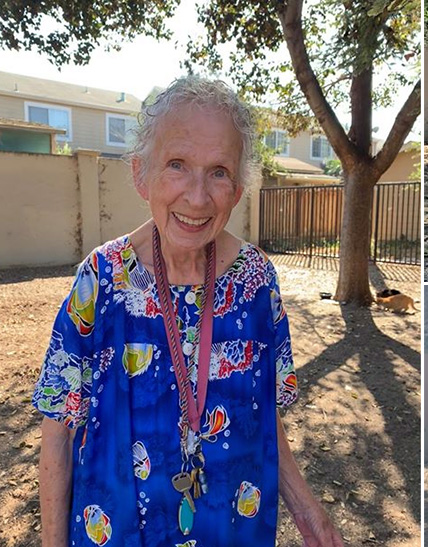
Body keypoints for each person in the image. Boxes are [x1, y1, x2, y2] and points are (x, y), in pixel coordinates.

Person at [33, 75, 344, 547]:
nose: (197, 198)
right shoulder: (100, 282)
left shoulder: (255, 282)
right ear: (142, 174)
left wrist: (309, 511)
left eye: (219, 171)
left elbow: (265, 417)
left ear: (238, 189)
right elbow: (57, 429)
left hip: (231, 528)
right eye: (177, 165)